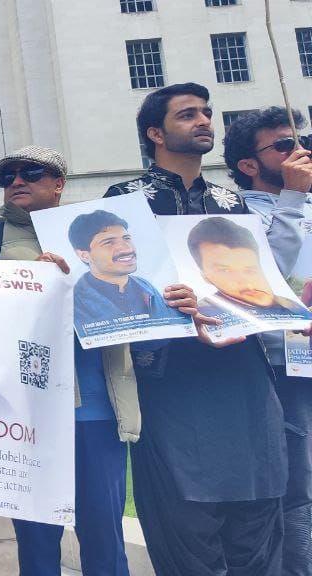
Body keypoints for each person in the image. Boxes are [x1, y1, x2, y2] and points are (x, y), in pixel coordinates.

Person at [0, 144, 202, 576]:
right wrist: (29, 289)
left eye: (30, 173)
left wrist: (176, 311)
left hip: (100, 410)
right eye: (7, 176)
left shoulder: (104, 240)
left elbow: (148, 338)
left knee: (105, 536)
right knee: (36, 541)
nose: (16, 181)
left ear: (59, 184)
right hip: (27, 416)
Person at [105, 82, 289, 575]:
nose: (204, 121)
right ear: (155, 133)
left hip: (245, 375)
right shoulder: (124, 201)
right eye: (187, 114)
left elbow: (263, 284)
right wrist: (166, 304)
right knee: (185, 532)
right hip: (171, 381)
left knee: (257, 523)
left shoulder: (234, 203)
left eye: (206, 112)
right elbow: (113, 293)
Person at [224, 106, 312, 576]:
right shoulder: (236, 212)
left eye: (302, 140)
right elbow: (262, 280)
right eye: (283, 145)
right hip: (286, 367)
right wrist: (293, 199)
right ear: (248, 164)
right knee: (299, 488)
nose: (300, 151)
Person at [66, 210, 179, 328]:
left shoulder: (147, 288)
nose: (127, 248)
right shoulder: (73, 303)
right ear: (84, 255)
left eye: (126, 238)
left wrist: (186, 311)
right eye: (108, 242)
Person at [188, 216, 310, 318]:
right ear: (205, 276)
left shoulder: (293, 306)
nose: (246, 282)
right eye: (225, 270)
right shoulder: (201, 313)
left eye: (250, 270)